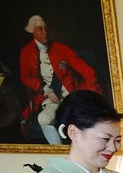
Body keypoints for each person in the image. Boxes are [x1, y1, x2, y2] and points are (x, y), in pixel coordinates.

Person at [19, 15, 102, 145]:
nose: (45, 32)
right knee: (43, 119)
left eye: (46, 28)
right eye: (40, 29)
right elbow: (26, 78)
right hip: (49, 97)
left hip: (70, 95)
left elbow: (86, 70)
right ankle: (58, 149)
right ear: (33, 31)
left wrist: (93, 95)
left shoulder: (60, 48)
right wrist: (44, 89)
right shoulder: (26, 52)